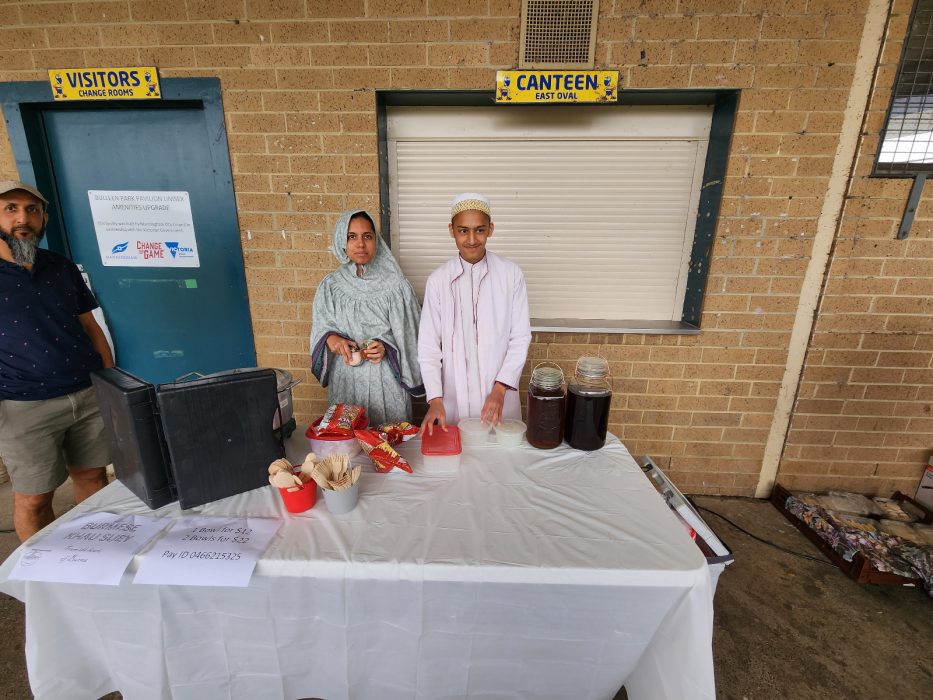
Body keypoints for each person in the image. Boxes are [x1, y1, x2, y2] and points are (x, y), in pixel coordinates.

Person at [0, 180, 114, 542]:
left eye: (32, 210)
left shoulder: (61, 267)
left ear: (44, 217)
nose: (23, 218)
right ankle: (41, 578)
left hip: (87, 393)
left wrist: (110, 382)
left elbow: (91, 328)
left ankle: (94, 555)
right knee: (35, 497)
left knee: (94, 478)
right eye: (11, 209)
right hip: (23, 404)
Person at [419, 193, 531, 435]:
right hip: (452, 400)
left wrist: (500, 390)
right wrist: (435, 399)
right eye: (463, 231)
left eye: (479, 230)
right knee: (458, 462)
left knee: (501, 461)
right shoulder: (438, 281)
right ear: (451, 230)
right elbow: (428, 347)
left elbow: (520, 338)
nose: (471, 239)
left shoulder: (511, 274)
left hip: (500, 396)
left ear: (491, 229)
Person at [310, 209, 424, 425]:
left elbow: (412, 338)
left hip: (385, 380)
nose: (360, 244)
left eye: (367, 236)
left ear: (376, 241)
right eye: (352, 236)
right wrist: (333, 340)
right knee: (348, 447)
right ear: (341, 241)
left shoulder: (396, 287)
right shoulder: (331, 287)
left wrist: (386, 346)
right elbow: (321, 327)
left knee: (388, 446)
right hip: (346, 378)